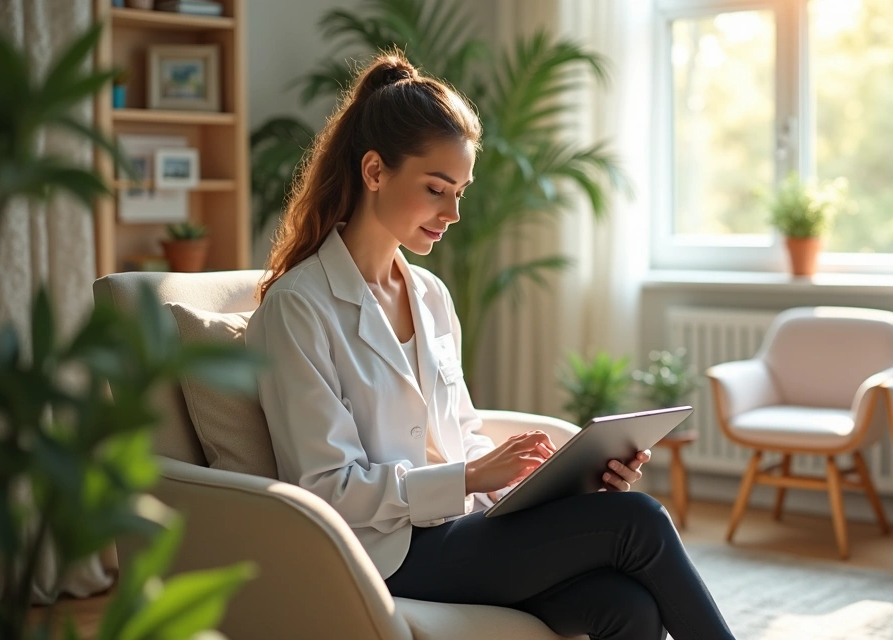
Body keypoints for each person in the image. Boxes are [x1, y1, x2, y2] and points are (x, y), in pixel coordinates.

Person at [247, 49, 735, 640]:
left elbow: (461, 431)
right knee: (638, 522)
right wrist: (468, 477)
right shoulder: (299, 307)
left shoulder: (429, 295)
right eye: (436, 188)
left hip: (461, 528)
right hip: (383, 554)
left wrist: (545, 477)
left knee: (626, 605)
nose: (453, 212)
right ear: (374, 171)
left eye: (461, 191)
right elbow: (324, 489)